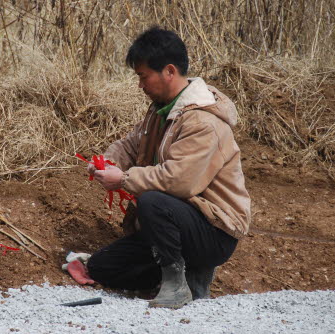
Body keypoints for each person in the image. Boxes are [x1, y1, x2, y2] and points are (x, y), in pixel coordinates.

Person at [85, 27, 251, 309]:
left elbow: (179, 182)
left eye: (143, 76)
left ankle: (178, 284)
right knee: (101, 267)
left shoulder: (202, 121)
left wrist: (124, 179)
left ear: (169, 71)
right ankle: (183, 276)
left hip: (213, 230)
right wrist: (108, 161)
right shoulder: (162, 108)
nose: (140, 85)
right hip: (178, 221)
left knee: (152, 201)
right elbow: (132, 144)